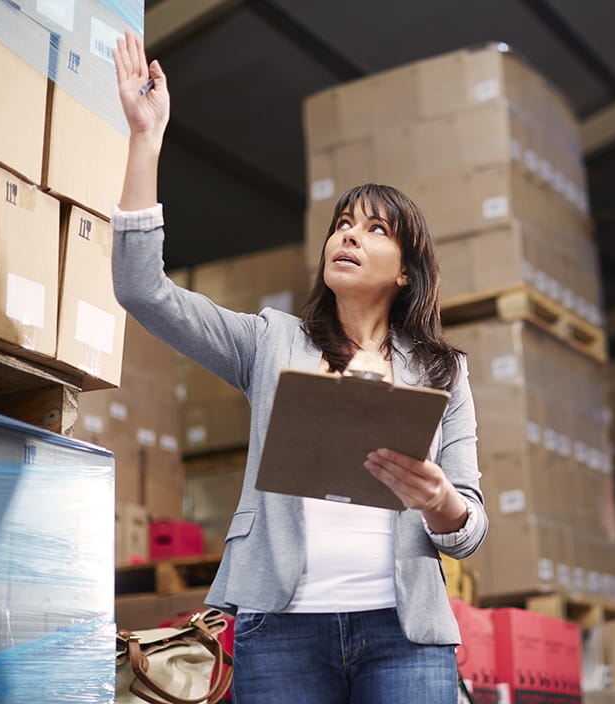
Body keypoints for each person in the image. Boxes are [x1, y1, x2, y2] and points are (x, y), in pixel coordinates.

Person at [111, 32, 488, 704]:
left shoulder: (442, 372)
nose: (349, 233)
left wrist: (441, 504)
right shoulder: (270, 342)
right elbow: (145, 292)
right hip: (281, 628)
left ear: (406, 271)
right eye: (343, 222)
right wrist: (146, 138)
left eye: (375, 229)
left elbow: (471, 529)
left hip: (404, 633)